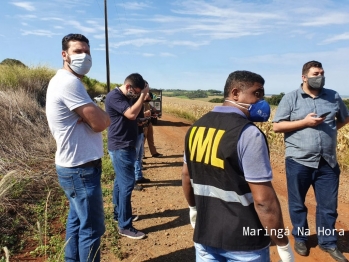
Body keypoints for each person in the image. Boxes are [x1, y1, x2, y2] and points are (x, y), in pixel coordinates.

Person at [182, 70, 294, 262]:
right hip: (244, 245)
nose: (262, 102)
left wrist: (193, 208)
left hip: (205, 236)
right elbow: (264, 202)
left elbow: (186, 176)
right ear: (235, 93)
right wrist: (282, 244)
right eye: (257, 94)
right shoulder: (249, 134)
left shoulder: (196, 127)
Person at [273, 61, 349, 262]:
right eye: (316, 73)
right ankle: (300, 238)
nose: (321, 76)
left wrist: (330, 131)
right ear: (304, 77)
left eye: (322, 73)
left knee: (328, 206)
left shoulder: (333, 96)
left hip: (328, 162)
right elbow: (277, 127)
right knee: (298, 203)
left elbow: (344, 118)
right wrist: (305, 123)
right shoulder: (291, 98)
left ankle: (328, 243)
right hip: (299, 161)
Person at [46, 33, 110, 262]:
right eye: (78, 51)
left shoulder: (65, 81)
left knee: (76, 222)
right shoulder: (69, 82)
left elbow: (96, 120)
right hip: (80, 168)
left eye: (87, 52)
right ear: (64, 55)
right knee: (92, 229)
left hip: (74, 166)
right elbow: (102, 122)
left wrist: (92, 113)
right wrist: (96, 113)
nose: (84, 56)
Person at [105, 73, 149, 239]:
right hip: (120, 147)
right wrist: (143, 95)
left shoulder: (126, 97)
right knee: (127, 184)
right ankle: (125, 225)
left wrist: (142, 118)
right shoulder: (114, 96)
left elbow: (131, 118)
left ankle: (119, 215)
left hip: (126, 145)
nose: (137, 95)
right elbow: (130, 114)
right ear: (129, 87)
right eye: (136, 92)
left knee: (119, 182)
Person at [143, 92, 163, 158]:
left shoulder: (148, 103)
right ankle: (141, 155)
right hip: (143, 124)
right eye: (149, 97)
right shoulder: (139, 103)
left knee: (151, 138)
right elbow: (138, 114)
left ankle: (154, 153)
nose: (150, 99)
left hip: (149, 122)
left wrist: (154, 112)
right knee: (142, 140)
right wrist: (147, 112)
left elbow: (152, 110)